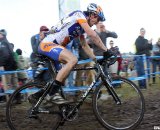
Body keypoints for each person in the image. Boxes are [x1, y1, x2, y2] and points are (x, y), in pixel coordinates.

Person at [28, 3, 114, 104]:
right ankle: (52, 95)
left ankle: (37, 97)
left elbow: (84, 45)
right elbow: (92, 34)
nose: (97, 22)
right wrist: (106, 50)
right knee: (73, 60)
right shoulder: (79, 15)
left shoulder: (81, 28)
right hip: (47, 44)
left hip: (54, 48)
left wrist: (95, 60)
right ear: (91, 14)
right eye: (97, 18)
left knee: (61, 78)